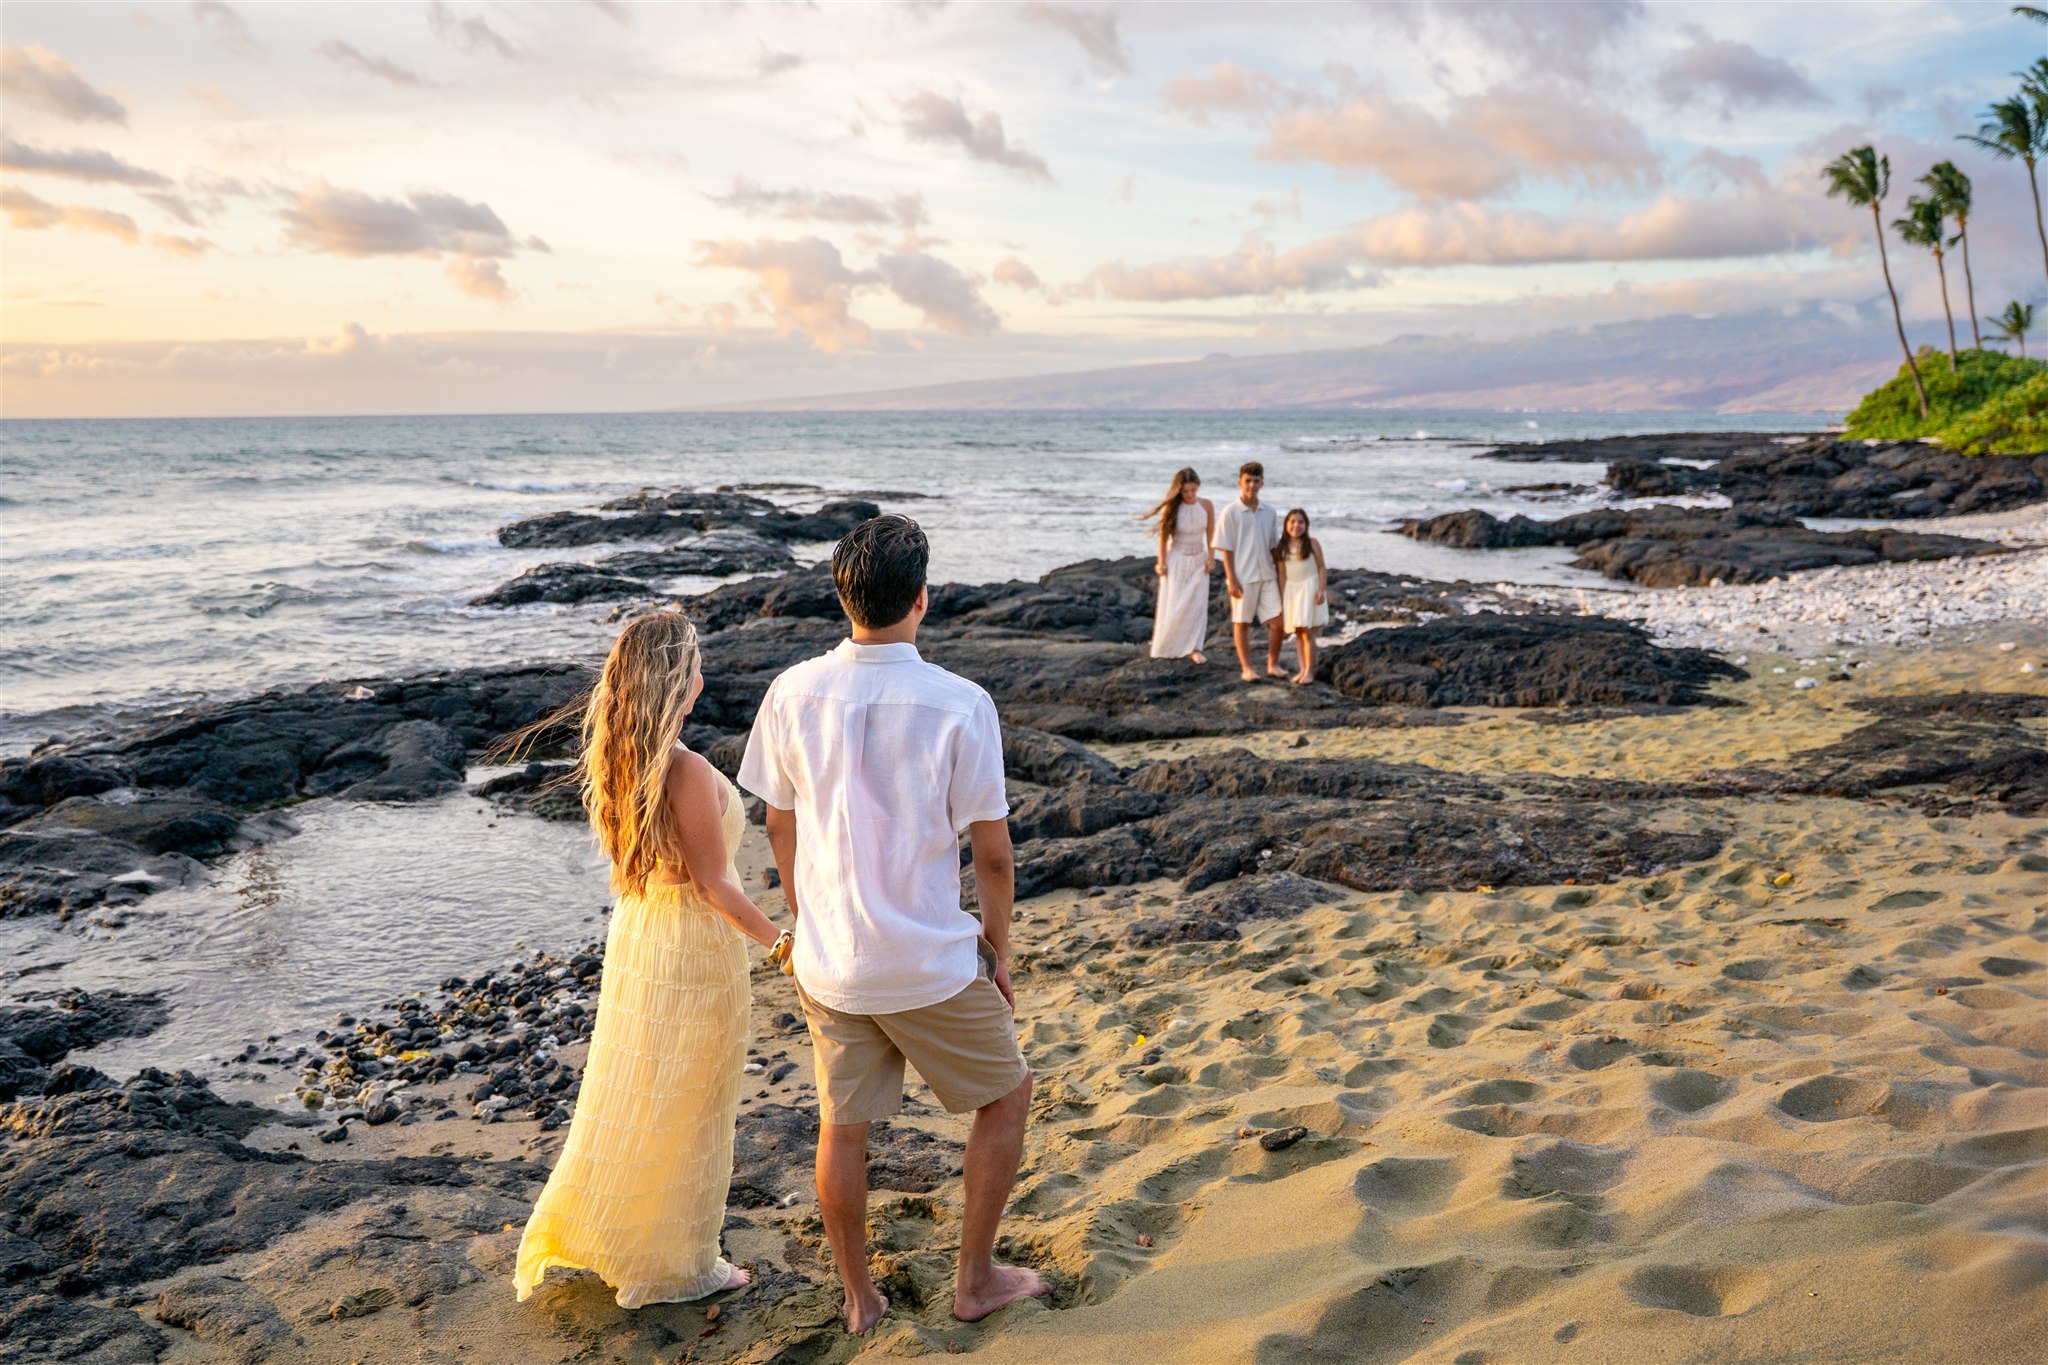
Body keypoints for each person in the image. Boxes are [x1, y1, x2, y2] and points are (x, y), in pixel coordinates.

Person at [738, 515, 1046, 1334]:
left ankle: (859, 1296)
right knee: (1007, 1093)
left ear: (844, 597)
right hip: (925, 961)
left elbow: (777, 821)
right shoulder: (961, 702)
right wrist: (999, 951)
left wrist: (806, 912)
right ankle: (974, 1280)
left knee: (843, 1128)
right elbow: (994, 857)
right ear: (921, 598)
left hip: (831, 959)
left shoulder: (792, 690)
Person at [515, 612, 789, 1308]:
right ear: (675, 678)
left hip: (642, 931)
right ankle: (679, 1266)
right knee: (692, 1099)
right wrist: (782, 943)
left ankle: (624, 1237)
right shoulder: (686, 768)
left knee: (639, 1088)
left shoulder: (621, 755)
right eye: (695, 664)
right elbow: (714, 885)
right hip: (692, 945)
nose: (703, 676)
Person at [1212, 460, 1283, 682]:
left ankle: (1273, 665)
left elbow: (1274, 547)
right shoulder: (1230, 512)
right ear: (1240, 483)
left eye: (1256, 481)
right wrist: (1232, 579)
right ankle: (1247, 669)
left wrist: (1282, 576)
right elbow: (1226, 549)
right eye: (1248, 481)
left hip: (1267, 575)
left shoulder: (1269, 512)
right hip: (1243, 576)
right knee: (1242, 622)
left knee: (1278, 622)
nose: (1252, 485)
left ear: (1262, 483)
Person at [1145, 466, 1215, 662]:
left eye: (1193, 490)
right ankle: (1171, 645)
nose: (1190, 494)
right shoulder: (1172, 508)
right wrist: (1161, 563)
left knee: (1197, 604)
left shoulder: (1206, 505)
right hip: (1177, 559)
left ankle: (1194, 648)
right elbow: (1163, 539)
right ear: (1179, 490)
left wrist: (1211, 558)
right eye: (1185, 491)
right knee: (1176, 603)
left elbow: (1211, 534)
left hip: (1199, 560)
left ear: (1198, 487)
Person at [1274, 508, 1328, 686]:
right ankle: (1302, 669)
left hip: (1309, 589)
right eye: (1292, 522)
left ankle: (1309, 671)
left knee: (1308, 632)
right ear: (1286, 525)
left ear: (1306, 525)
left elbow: (1321, 567)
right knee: (1298, 632)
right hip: (1292, 591)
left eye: (1300, 522)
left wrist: (1321, 590)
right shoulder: (1282, 547)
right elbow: (1282, 575)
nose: (1296, 525)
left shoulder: (1312, 544)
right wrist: (1283, 599)